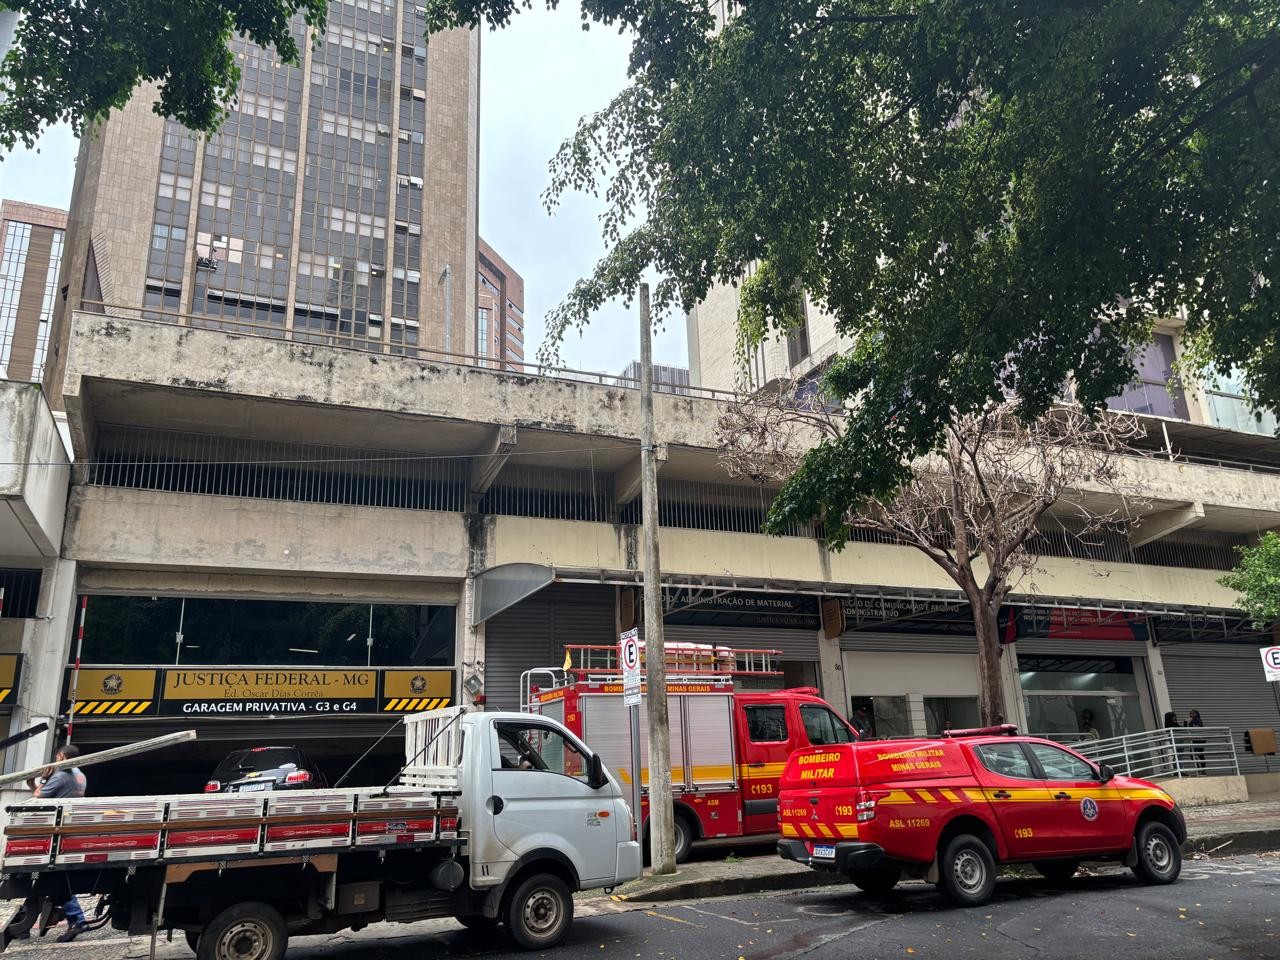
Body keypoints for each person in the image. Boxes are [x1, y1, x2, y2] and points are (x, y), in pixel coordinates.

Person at [28, 744, 88, 942]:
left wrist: (41, 780)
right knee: (58, 878)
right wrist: (36, 783)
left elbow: (39, 798)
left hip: (57, 831)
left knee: (57, 878)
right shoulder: (80, 774)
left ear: (61, 757)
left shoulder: (61, 775)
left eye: (56, 756)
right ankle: (73, 918)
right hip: (68, 829)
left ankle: (77, 919)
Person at [1188, 709, 1207, 774]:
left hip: (1199, 739)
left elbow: (1197, 728)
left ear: (1196, 714)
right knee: (1192, 754)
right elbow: (1186, 728)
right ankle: (1199, 768)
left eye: (1192, 713)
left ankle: (1203, 769)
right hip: (1194, 740)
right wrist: (1186, 722)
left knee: (1200, 754)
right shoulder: (1190, 721)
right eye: (1190, 713)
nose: (1191, 715)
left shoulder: (1198, 720)